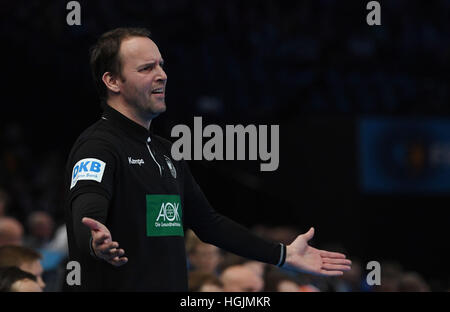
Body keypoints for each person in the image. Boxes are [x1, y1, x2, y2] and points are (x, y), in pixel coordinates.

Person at [64, 27, 351, 291]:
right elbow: (88, 208)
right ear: (112, 81)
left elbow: (209, 223)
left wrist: (282, 254)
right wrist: (93, 241)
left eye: (161, 64)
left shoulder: (164, 152)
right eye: (147, 68)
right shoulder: (98, 146)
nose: (162, 74)